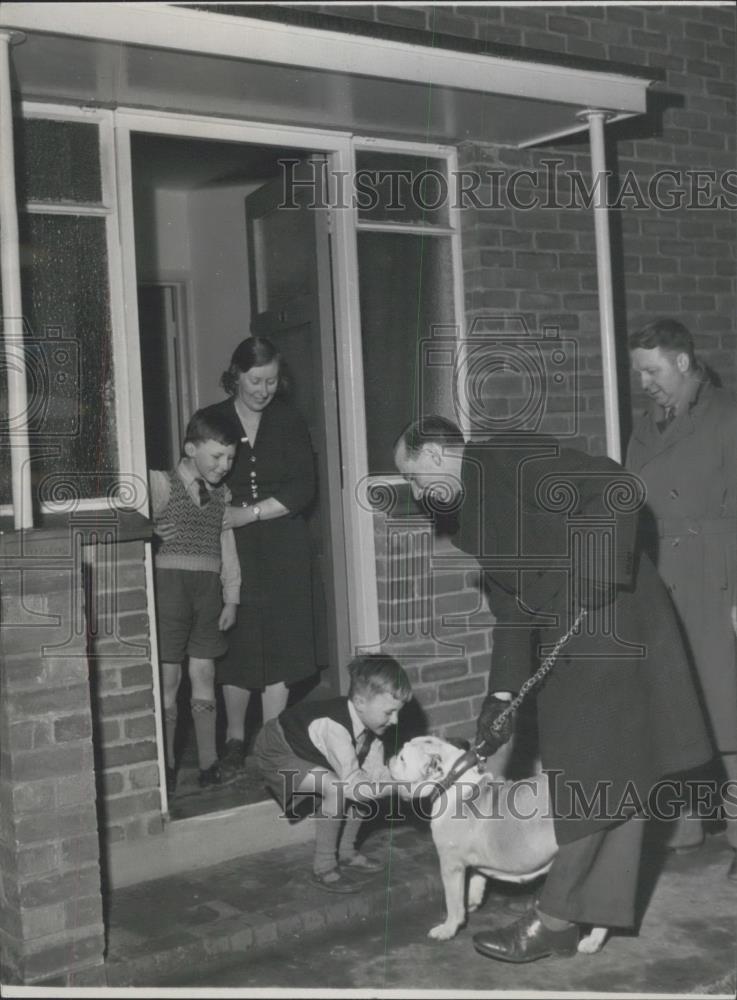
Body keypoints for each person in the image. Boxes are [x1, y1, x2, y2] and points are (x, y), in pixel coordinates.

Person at [394, 414, 712, 963]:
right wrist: (500, 699)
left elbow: (617, 487)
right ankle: (578, 914)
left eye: (416, 480)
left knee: (589, 771)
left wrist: (592, 575)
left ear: (437, 456)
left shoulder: (510, 458)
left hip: (615, 618)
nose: (418, 495)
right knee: (611, 780)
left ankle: (555, 917)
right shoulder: (471, 521)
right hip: (574, 641)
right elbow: (513, 613)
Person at [627, 318, 737, 877]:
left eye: (653, 370)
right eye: (639, 372)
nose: (645, 382)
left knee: (729, 711)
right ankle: (687, 823)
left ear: (684, 364)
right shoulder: (645, 428)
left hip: (715, 577)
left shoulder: (727, 417)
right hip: (658, 577)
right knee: (675, 703)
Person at [203, 337, 317, 775]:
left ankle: (268, 740)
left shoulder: (289, 420)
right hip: (231, 549)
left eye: (271, 380)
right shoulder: (211, 418)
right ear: (235, 375)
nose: (264, 389)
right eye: (255, 380)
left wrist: (248, 514)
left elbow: (303, 489)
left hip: (283, 545)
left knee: (282, 646)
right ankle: (235, 737)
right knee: (239, 642)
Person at [254, 653, 412, 893]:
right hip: (277, 750)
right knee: (336, 787)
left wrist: (402, 780)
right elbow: (354, 789)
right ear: (360, 702)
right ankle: (324, 867)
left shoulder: (372, 727)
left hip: (310, 749)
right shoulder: (334, 727)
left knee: (364, 782)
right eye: (390, 712)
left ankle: (347, 852)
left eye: (398, 712)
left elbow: (375, 778)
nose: (395, 721)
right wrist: (398, 786)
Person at [149, 409, 241, 793]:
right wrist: (149, 529)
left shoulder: (221, 496)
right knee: (168, 679)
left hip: (208, 594)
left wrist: (231, 597)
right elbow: (123, 508)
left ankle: (208, 762)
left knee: (204, 675)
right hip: (170, 591)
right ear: (190, 449)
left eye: (231, 458)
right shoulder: (161, 483)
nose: (224, 466)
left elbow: (227, 548)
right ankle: (166, 765)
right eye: (217, 456)